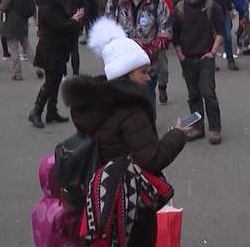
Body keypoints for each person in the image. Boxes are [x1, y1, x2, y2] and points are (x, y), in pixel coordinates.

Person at [63, 17, 190, 246]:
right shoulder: (131, 109)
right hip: (132, 198)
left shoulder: (98, 102)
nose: (148, 77)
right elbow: (152, 157)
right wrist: (178, 134)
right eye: (143, 72)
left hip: (106, 195)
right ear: (127, 74)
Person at [104, 0, 173, 102]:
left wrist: (152, 49)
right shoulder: (117, 0)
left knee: (147, 101)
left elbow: (165, 27)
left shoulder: (155, 0)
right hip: (123, 63)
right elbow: (107, 26)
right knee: (126, 103)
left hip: (148, 63)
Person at [172, 0, 225, 144]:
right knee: (193, 95)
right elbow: (175, 36)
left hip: (206, 57)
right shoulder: (179, 9)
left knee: (208, 93)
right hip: (187, 58)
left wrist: (213, 52)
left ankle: (215, 128)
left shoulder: (211, 6)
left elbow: (220, 31)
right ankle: (197, 128)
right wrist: (181, 56)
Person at [28, 0, 84, 129]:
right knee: (50, 82)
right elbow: (61, 26)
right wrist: (74, 20)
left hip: (57, 48)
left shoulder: (52, 5)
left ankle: (51, 111)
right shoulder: (47, 8)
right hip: (50, 49)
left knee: (56, 80)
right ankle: (36, 111)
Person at [0, 0, 35, 80]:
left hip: (11, 22)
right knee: (27, 46)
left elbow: (5, 5)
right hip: (23, 21)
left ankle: (17, 73)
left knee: (13, 48)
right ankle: (39, 68)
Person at [61, 0, 86, 76]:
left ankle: (64, 74)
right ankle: (76, 73)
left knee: (63, 49)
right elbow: (82, 6)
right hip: (76, 18)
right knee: (74, 49)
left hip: (64, 18)